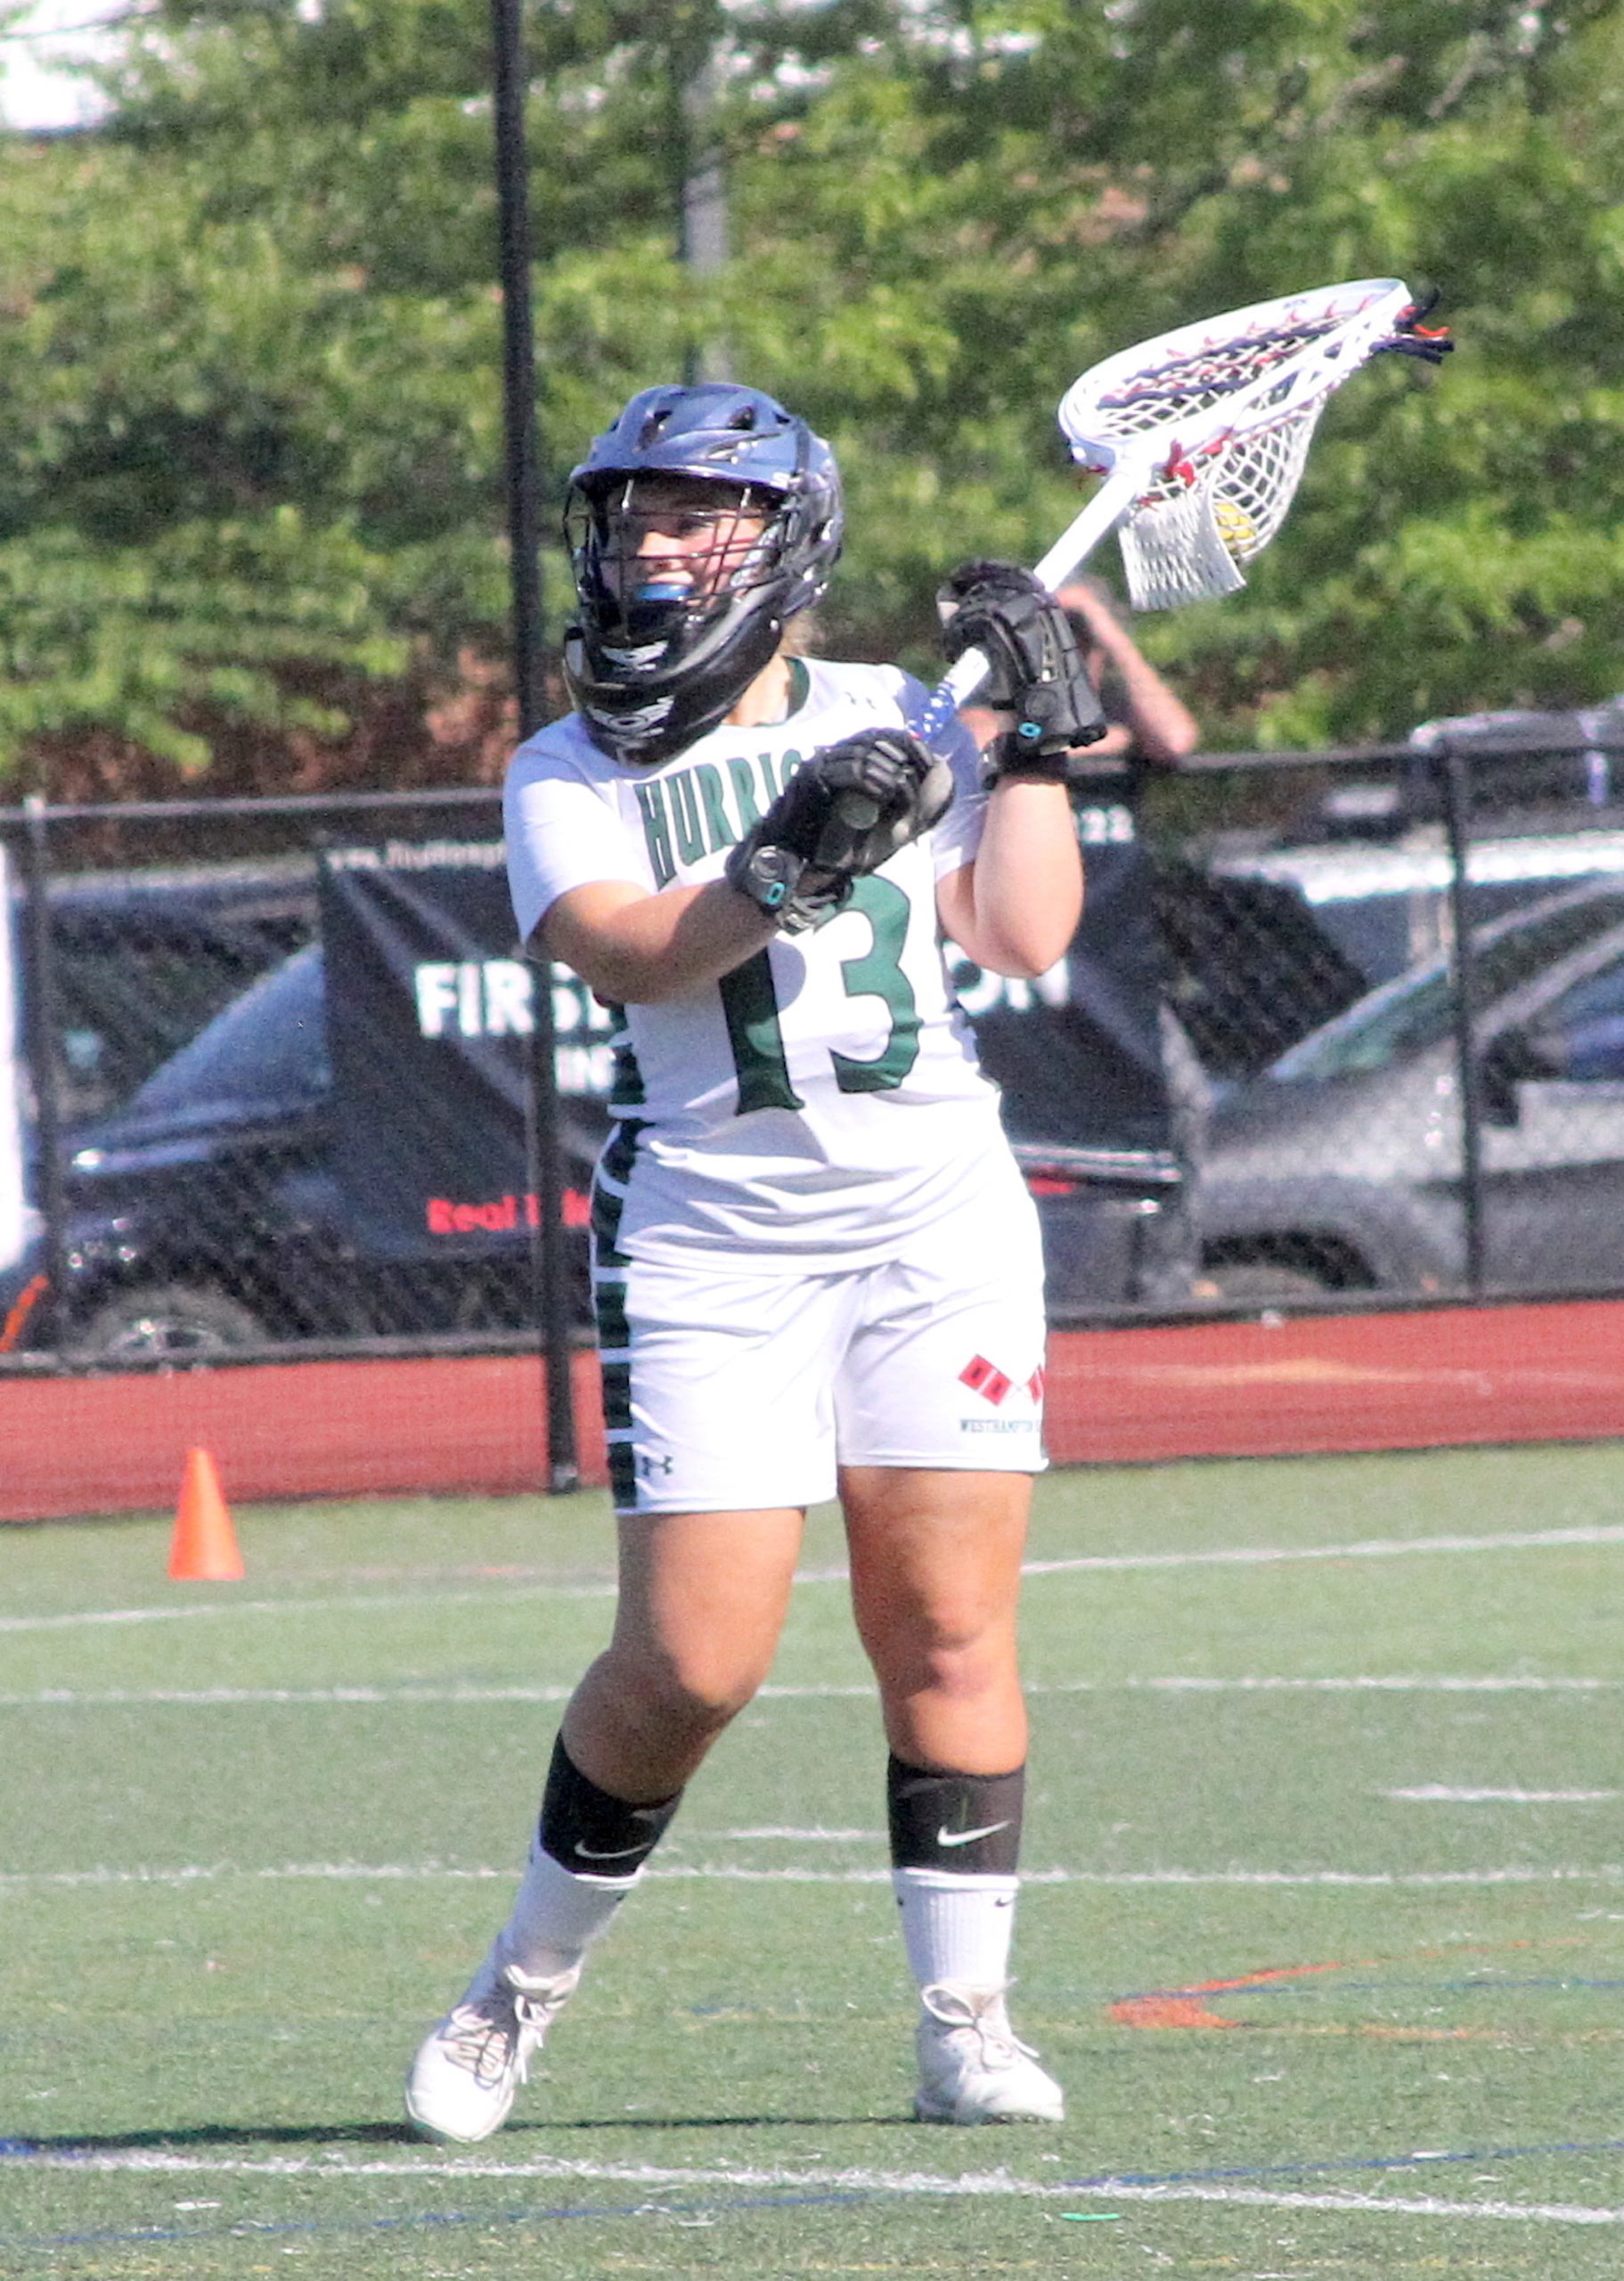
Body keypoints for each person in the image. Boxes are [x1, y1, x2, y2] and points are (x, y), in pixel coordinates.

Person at [404, 380, 1105, 2144]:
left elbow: (1016, 930)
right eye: (624, 514)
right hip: (714, 1232)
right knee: (690, 1665)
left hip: (932, 1218)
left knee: (945, 1622)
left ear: (782, 540)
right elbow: (631, 953)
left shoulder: (891, 708)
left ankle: (963, 2020)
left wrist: (1025, 745)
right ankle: (514, 1993)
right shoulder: (563, 766)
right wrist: (784, 860)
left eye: (685, 513)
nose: (643, 542)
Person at [1056, 576, 1210, 1301]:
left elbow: (1174, 738)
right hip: (1009, 977)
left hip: (1109, 972)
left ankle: (1164, 1283)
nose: (1068, 654)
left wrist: (1108, 629)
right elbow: (985, 742)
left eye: (1076, 641)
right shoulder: (980, 713)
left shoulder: (1120, 721)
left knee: (1185, 1101)